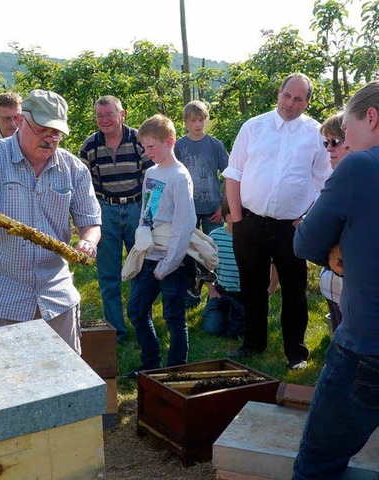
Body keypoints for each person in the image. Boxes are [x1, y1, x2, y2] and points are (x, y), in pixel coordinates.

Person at [0, 89, 101, 354]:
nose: (49, 138)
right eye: (42, 129)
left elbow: (90, 221)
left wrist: (88, 242)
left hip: (55, 297)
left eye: (56, 133)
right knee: (1, 388)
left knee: (65, 383)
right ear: (20, 121)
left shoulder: (74, 169)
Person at [292, 81, 379, 480]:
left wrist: (338, 248)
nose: (346, 139)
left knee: (319, 464)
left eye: (348, 127)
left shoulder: (359, 166)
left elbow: (305, 242)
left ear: (372, 118)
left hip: (367, 347)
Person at [223, 73, 331, 370]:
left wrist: (308, 218)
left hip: (292, 226)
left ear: (307, 102)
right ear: (279, 92)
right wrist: (236, 217)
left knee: (294, 289)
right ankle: (253, 343)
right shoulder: (253, 127)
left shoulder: (316, 134)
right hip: (250, 221)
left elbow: (324, 182)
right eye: (287, 96)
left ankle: (296, 352)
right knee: (252, 286)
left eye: (299, 99)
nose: (291, 103)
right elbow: (234, 173)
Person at [124, 114, 196, 376]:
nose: (147, 152)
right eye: (144, 146)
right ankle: (151, 364)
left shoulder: (180, 177)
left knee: (174, 317)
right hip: (149, 254)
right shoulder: (151, 173)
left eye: (152, 146)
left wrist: (169, 264)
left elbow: (184, 223)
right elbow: (146, 211)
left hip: (172, 260)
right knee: (137, 309)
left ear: (170, 141)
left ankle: (175, 371)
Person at [79, 95, 153, 342]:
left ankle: (142, 321)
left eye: (110, 114)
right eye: (100, 116)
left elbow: (150, 179)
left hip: (136, 208)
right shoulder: (89, 146)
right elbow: (84, 185)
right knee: (108, 274)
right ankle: (116, 331)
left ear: (122, 114)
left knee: (140, 268)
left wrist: (147, 214)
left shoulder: (139, 141)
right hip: (106, 210)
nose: (104, 120)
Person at [175, 100, 229, 234]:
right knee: (189, 251)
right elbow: (172, 178)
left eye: (201, 119)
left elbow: (229, 176)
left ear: (206, 119)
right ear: (186, 122)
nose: (198, 124)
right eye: (193, 120)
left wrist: (223, 206)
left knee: (213, 249)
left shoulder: (216, 145)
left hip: (213, 209)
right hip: (187, 209)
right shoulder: (178, 146)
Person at [317, 112, 349, 335]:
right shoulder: (337, 177)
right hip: (334, 284)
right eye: (326, 142)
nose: (328, 148)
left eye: (334, 142)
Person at [201, 198, 245, 339]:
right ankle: (217, 313)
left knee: (242, 330)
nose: (236, 216)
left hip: (244, 295)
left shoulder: (250, 238)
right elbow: (205, 265)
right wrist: (212, 290)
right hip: (221, 293)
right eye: (232, 212)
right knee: (212, 328)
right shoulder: (215, 236)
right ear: (225, 214)